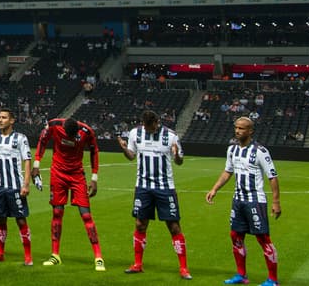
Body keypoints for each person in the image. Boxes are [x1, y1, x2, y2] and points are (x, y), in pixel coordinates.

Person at [206, 117, 281, 286]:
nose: (237, 131)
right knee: (236, 235)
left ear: (250, 131)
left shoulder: (260, 151)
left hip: (255, 201)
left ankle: (273, 280)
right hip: (238, 200)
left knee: (263, 238)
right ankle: (241, 275)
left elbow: (272, 176)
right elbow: (227, 171)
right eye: (236, 127)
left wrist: (276, 202)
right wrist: (214, 189)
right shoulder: (232, 149)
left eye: (241, 128)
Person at [119, 110, 190, 279]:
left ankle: (184, 268)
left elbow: (179, 161)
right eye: (146, 127)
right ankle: (137, 264)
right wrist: (124, 149)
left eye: (150, 127)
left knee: (174, 226)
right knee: (140, 224)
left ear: (157, 123)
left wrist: (176, 155)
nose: (148, 129)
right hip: (143, 187)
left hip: (165, 188)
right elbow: (131, 156)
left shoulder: (171, 136)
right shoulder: (135, 133)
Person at [33, 116, 105, 270]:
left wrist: (94, 178)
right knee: (57, 212)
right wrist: (36, 164)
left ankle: (98, 257)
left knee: (86, 215)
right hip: (58, 173)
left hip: (77, 175)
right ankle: (55, 255)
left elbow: (94, 151)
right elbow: (42, 140)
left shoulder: (87, 131)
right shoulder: (54, 125)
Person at [0, 107, 34, 265]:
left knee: (20, 220)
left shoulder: (20, 138)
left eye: (4, 117)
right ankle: (0, 252)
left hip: (15, 186)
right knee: (0, 219)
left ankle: (28, 256)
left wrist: (26, 184)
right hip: (0, 186)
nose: (0, 120)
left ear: (12, 120)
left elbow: (27, 160)